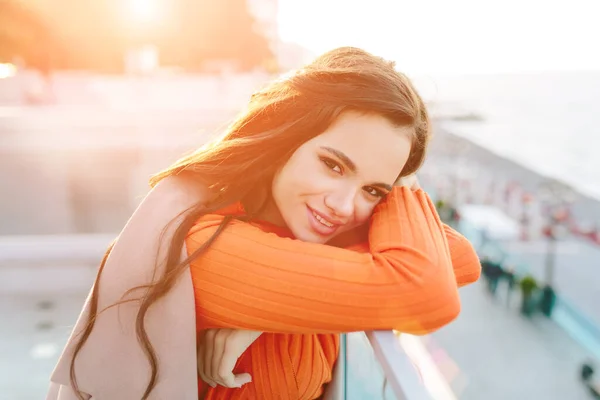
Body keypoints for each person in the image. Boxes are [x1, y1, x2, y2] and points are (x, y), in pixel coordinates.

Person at [47, 47, 481, 400]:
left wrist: (278, 312)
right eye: (332, 165)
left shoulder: (307, 233)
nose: (343, 205)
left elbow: (462, 259)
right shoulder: (210, 246)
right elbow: (426, 291)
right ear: (286, 137)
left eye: (374, 191)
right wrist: (398, 180)